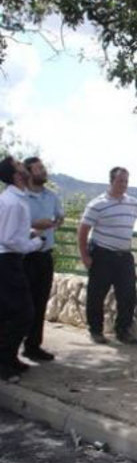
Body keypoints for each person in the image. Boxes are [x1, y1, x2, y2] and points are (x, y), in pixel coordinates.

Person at [77, 166, 137, 345]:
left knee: (128, 294)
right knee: (97, 295)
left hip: (124, 256)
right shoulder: (97, 204)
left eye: (126, 181)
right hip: (102, 255)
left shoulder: (132, 202)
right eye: (120, 181)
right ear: (111, 181)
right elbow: (83, 231)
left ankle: (123, 331)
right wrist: (85, 256)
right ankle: (96, 330)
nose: (123, 185)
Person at [0, 156, 45, 382]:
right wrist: (34, 243)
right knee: (23, 313)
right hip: (8, 261)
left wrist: (28, 234)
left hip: (10, 259)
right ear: (16, 175)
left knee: (10, 312)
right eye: (19, 165)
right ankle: (4, 363)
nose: (24, 167)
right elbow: (7, 239)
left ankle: (10, 359)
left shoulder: (17, 199)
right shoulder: (12, 201)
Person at [22, 156, 64, 363]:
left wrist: (54, 223)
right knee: (20, 305)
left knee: (40, 303)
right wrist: (36, 224)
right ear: (29, 173)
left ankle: (33, 346)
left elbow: (60, 217)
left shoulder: (52, 197)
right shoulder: (20, 197)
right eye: (39, 169)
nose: (43, 171)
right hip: (23, 257)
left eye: (43, 168)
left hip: (45, 256)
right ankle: (10, 348)